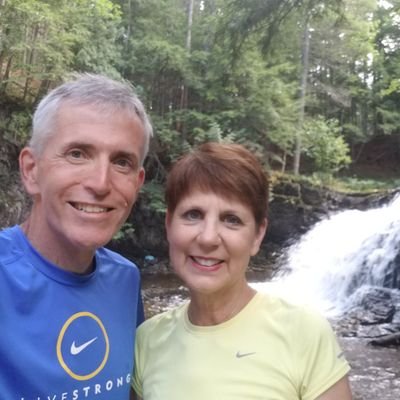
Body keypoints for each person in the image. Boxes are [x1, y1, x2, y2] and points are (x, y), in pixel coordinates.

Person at [132, 142, 353, 400]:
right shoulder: (147, 340)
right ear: (169, 224)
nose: (208, 238)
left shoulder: (304, 333)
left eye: (231, 219)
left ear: (257, 236)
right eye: (193, 214)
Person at [0, 74, 152, 400]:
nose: (100, 183)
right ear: (31, 170)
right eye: (77, 154)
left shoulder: (126, 279)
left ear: (138, 183)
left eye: (121, 162)